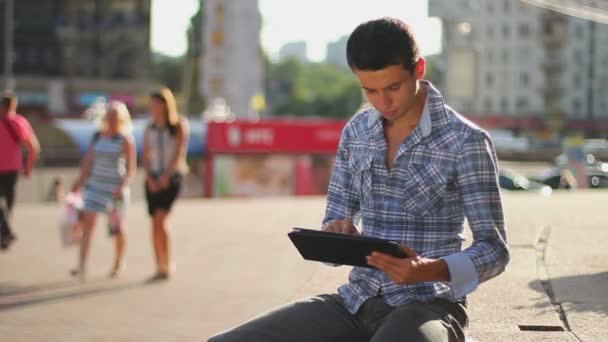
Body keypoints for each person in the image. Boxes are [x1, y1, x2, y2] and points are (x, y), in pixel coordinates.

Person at [209, 17, 509, 342]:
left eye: (393, 87)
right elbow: (335, 220)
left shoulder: (466, 141)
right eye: (370, 90)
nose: (384, 102)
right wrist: (337, 234)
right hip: (355, 302)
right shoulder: (357, 132)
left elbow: (494, 250)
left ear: (419, 70)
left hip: (429, 306)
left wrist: (430, 268)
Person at [71, 101, 136, 280]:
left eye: (116, 117)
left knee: (117, 227)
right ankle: (82, 264)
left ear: (122, 120)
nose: (113, 120)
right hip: (95, 186)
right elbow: (88, 161)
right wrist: (79, 180)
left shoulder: (125, 139)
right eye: (110, 116)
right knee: (88, 222)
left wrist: (123, 186)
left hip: (114, 189)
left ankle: (118, 262)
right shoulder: (98, 136)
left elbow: (131, 168)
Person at [143, 88, 189, 281]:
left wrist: (166, 176)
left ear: (165, 105)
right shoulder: (150, 128)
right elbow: (146, 154)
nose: (153, 108)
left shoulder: (178, 125)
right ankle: (158, 264)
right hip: (153, 177)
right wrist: (150, 177)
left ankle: (167, 263)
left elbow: (179, 153)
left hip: (171, 177)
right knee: (154, 222)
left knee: (163, 219)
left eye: (156, 104)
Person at [0, 93, 40, 250]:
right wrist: (28, 168)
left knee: (4, 203)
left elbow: (33, 148)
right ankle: (5, 232)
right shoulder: (20, 122)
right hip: (13, 169)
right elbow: (33, 148)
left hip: (7, 169)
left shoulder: (17, 123)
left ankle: (5, 232)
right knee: (7, 202)